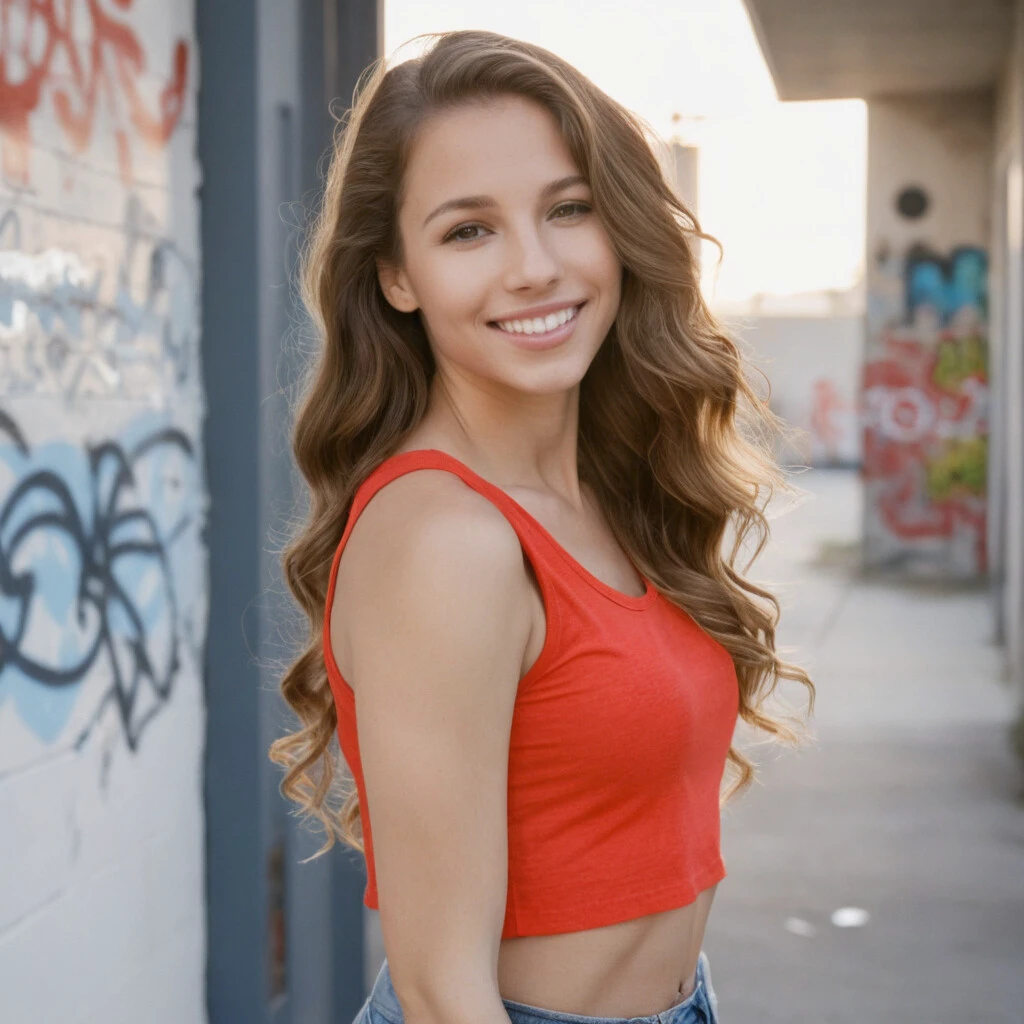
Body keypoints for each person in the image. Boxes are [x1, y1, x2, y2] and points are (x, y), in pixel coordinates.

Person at [270, 29, 815, 1024]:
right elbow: (442, 992)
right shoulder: (449, 540)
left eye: (568, 210)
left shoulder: (605, 492)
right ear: (397, 275)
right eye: (467, 231)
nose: (534, 267)